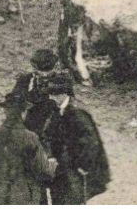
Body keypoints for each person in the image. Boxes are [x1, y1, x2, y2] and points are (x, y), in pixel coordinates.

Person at [0, 93, 58, 205]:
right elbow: (42, 169)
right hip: (20, 196)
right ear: (23, 113)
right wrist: (52, 165)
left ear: (5, 111)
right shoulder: (30, 137)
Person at [41, 74, 110, 204]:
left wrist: (82, 166)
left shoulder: (78, 113)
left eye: (54, 94)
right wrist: (50, 156)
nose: (51, 97)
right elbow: (46, 135)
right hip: (60, 167)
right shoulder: (57, 109)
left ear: (63, 94)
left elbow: (91, 144)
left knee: (72, 200)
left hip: (76, 169)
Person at [8, 49, 62, 137]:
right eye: (40, 72)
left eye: (48, 72)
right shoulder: (25, 80)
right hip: (30, 125)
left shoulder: (59, 82)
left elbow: (64, 105)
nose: (44, 76)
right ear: (34, 69)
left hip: (53, 126)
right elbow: (14, 102)